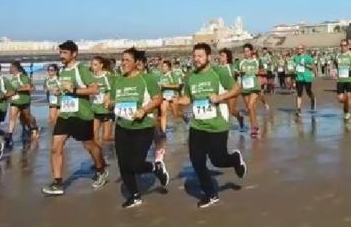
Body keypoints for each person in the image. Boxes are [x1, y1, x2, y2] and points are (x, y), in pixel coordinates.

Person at [176, 43, 246, 208]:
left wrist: (221, 97)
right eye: (194, 56)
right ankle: (211, 194)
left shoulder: (218, 72)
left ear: (208, 57)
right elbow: (188, 98)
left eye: (200, 56)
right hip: (197, 125)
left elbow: (237, 89)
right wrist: (179, 100)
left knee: (218, 160)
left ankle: (235, 159)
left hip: (217, 125)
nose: (196, 59)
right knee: (197, 161)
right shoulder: (190, 76)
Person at [42, 40, 109, 196]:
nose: (62, 56)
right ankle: (58, 183)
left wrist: (74, 90)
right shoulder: (63, 71)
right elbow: (65, 90)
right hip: (65, 114)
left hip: (82, 114)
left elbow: (94, 89)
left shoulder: (81, 69)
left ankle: (100, 169)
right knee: (55, 147)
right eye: (60, 53)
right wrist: (58, 92)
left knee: (89, 145)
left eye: (65, 53)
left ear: (74, 54)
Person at [109, 47, 169, 208]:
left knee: (135, 164)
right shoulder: (119, 80)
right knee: (123, 163)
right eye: (122, 60)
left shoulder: (146, 79)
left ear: (136, 62)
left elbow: (158, 98)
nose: (124, 63)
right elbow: (112, 99)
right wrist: (109, 103)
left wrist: (144, 110)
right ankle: (135, 196)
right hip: (122, 125)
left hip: (143, 126)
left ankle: (155, 168)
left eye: (127, 60)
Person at [7, 61, 40, 146]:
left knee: (27, 117)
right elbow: (10, 91)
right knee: (12, 117)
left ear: (15, 68)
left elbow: (30, 87)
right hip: (14, 101)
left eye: (10, 67)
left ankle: (34, 128)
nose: (9, 69)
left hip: (24, 100)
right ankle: (10, 136)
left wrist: (17, 90)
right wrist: (7, 94)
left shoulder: (23, 77)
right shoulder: (12, 79)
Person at [237, 43, 263, 138]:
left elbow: (263, 71)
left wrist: (258, 72)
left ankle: (253, 128)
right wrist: (239, 73)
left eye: (247, 51)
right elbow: (235, 72)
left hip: (255, 87)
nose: (246, 53)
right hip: (245, 87)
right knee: (250, 108)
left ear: (251, 51)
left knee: (250, 105)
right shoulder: (241, 62)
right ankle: (256, 126)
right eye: (244, 51)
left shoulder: (257, 61)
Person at [90, 56, 116, 144]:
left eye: (95, 65)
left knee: (106, 137)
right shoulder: (90, 76)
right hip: (95, 109)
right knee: (93, 135)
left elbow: (113, 89)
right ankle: (98, 155)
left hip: (106, 109)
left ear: (101, 65)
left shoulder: (107, 76)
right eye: (92, 64)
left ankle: (121, 138)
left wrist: (108, 97)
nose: (93, 66)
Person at [335, 39, 351, 123]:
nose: (343, 47)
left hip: (349, 79)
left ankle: (347, 113)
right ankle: (346, 105)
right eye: (341, 45)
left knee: (349, 96)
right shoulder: (338, 55)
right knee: (340, 98)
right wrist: (335, 73)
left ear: (348, 46)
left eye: (344, 45)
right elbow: (336, 64)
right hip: (340, 79)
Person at [293, 45, 316, 114]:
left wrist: (306, 65)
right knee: (299, 93)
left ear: (303, 49)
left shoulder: (307, 57)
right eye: (298, 48)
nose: (299, 50)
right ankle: (299, 109)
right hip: (299, 77)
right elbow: (295, 67)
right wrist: (294, 76)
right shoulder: (295, 58)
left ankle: (313, 98)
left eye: (301, 48)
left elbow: (313, 67)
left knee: (308, 91)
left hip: (307, 77)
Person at [45, 64, 62, 129]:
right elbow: (45, 88)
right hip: (52, 101)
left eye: (52, 70)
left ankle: (57, 133)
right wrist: (48, 90)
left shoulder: (59, 79)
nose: (50, 72)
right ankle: (54, 133)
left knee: (57, 119)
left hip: (60, 101)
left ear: (56, 71)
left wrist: (58, 91)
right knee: (52, 118)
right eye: (48, 70)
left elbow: (64, 88)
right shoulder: (47, 80)